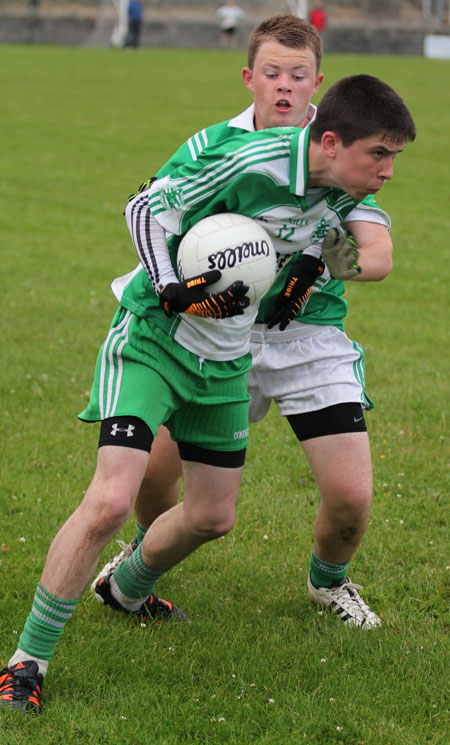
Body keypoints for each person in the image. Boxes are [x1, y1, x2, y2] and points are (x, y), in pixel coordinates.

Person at [0, 70, 415, 714]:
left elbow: (336, 242)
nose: (388, 170)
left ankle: (126, 591)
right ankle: (27, 661)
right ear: (330, 142)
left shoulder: (340, 190)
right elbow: (145, 207)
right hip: (157, 340)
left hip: (226, 359)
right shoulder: (249, 159)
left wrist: (311, 267)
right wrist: (170, 287)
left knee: (213, 517)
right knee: (111, 502)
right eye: (380, 155)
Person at [94, 15, 398, 629]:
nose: (285, 86)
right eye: (272, 74)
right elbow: (153, 214)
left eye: (299, 75)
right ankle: (143, 558)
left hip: (303, 334)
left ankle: (329, 583)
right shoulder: (217, 150)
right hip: (210, 332)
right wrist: (180, 288)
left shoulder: (338, 144)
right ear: (249, 78)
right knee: (154, 474)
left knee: (352, 497)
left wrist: (327, 260)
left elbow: (377, 254)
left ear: (319, 82)